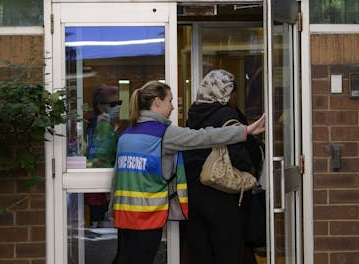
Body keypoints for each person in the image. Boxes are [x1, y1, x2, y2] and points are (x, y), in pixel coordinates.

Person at [109, 80, 266, 264]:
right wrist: (245, 131)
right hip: (148, 218)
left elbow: (116, 179)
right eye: (169, 101)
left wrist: (113, 209)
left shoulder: (127, 133)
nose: (173, 107)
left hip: (125, 216)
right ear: (157, 102)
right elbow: (205, 137)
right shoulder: (163, 133)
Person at [183, 69, 263, 264]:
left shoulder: (193, 113)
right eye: (234, 91)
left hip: (194, 192)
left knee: (202, 251)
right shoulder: (226, 114)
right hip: (221, 194)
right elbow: (237, 154)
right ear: (226, 92)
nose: (236, 96)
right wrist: (250, 171)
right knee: (227, 249)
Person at [85, 84, 121, 228]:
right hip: (100, 184)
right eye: (113, 104)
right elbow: (101, 155)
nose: (117, 107)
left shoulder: (107, 125)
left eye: (119, 103)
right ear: (100, 106)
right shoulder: (102, 126)